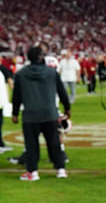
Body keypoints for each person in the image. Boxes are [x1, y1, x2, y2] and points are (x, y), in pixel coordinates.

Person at [11, 46, 70, 181]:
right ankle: (61, 170)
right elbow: (62, 91)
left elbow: (17, 96)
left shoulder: (21, 74)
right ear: (42, 57)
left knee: (31, 145)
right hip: (50, 114)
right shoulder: (52, 72)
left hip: (30, 115)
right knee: (54, 143)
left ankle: (33, 172)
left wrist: (15, 113)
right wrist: (67, 108)